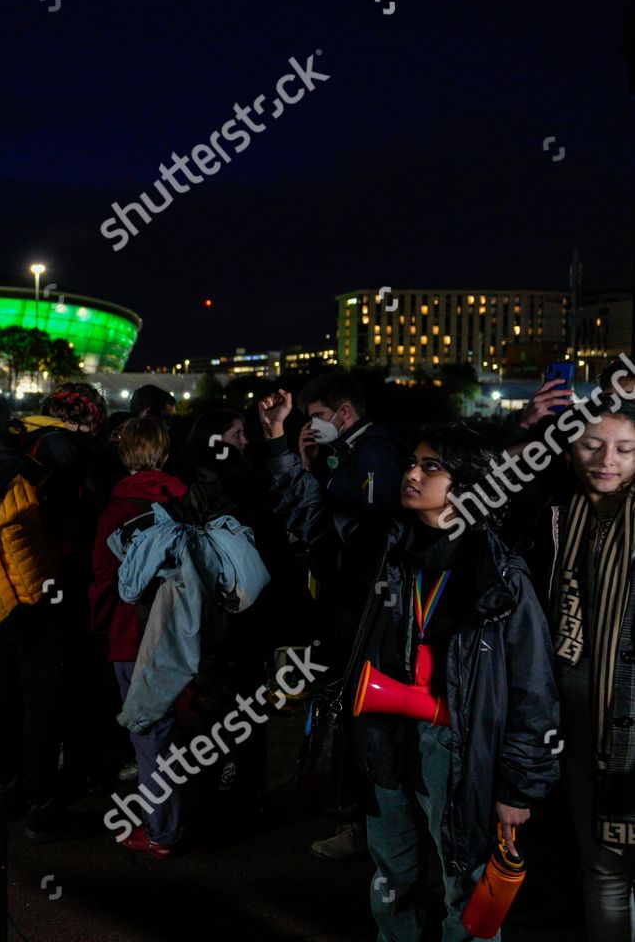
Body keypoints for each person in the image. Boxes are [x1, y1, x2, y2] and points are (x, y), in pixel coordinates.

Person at [258, 397, 560, 941]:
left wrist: (519, 789)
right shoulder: (386, 543)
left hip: (456, 748)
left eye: (430, 467)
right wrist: (278, 440)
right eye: (413, 462)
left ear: (467, 485)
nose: (412, 474)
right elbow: (311, 515)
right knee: (392, 876)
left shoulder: (499, 576)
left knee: (463, 887)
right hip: (384, 736)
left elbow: (532, 690)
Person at [258, 370, 405, 861]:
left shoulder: (376, 451)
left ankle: (369, 826)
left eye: (319, 416)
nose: (313, 424)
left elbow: (356, 529)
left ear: (344, 412)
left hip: (361, 605)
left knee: (358, 713)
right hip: (346, 600)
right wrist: (306, 465)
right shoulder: (345, 452)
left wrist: (317, 499)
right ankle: (359, 816)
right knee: (343, 708)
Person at [0, 382, 107, 840]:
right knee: (42, 702)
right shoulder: (69, 455)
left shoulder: (12, 439)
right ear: (91, 419)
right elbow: (70, 532)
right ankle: (42, 806)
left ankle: (4, 791)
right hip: (43, 591)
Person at [535, 396, 635, 940]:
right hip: (574, 711)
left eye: (625, 449)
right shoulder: (558, 512)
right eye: (592, 444)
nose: (606, 459)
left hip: (629, 709)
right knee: (602, 865)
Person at [88, 417, 188, 856]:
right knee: (183, 728)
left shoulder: (116, 509)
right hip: (184, 633)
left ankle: (163, 830)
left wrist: (98, 627)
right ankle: (186, 815)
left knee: (149, 737)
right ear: (165, 453)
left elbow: (102, 580)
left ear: (124, 454)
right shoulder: (187, 500)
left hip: (133, 636)